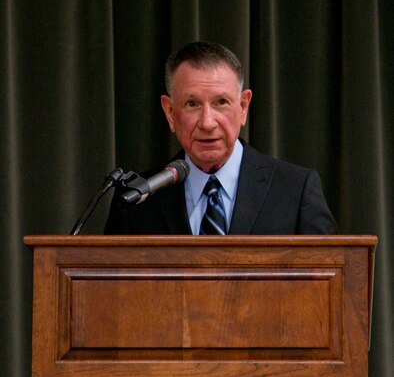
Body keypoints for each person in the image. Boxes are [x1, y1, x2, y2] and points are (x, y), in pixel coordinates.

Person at [104, 41, 337, 235]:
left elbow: (332, 284)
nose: (207, 122)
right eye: (192, 104)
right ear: (170, 112)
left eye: (221, 102)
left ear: (243, 107)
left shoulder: (295, 191)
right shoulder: (136, 200)